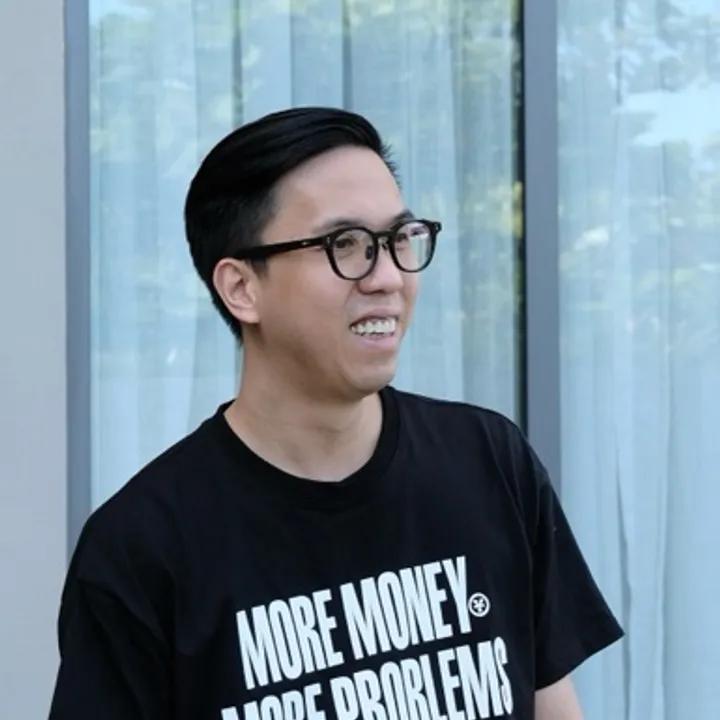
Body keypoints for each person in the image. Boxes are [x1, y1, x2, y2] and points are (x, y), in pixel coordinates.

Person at [49, 106, 623, 720]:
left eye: (398, 240)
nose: (388, 277)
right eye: (344, 245)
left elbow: (550, 704)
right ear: (242, 288)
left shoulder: (488, 461)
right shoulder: (142, 549)